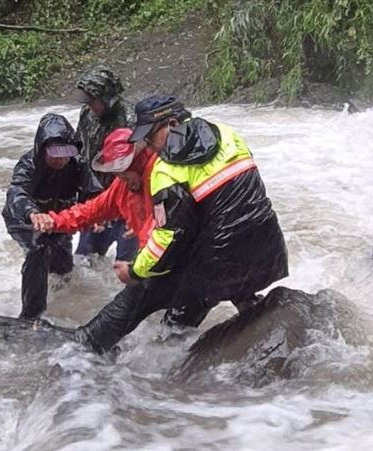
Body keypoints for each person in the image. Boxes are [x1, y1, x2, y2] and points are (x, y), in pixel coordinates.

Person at [74, 95, 290, 352]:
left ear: (172, 124)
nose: (149, 147)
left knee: (143, 289)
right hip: (269, 251)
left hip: (221, 265)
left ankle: (87, 343)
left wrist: (135, 271)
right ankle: (217, 321)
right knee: (194, 282)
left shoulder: (165, 169)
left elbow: (168, 237)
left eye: (149, 138)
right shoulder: (226, 133)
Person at [30, 128, 157, 280]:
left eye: (124, 175)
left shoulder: (161, 179)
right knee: (85, 261)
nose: (122, 179)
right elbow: (92, 210)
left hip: (166, 263)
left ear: (137, 163)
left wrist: (135, 271)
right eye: (117, 174)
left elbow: (165, 234)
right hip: (151, 258)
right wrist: (54, 221)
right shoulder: (122, 185)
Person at [2, 113, 93, 321]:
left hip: (58, 217)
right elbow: (17, 192)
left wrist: (96, 215)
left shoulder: (77, 164)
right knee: (38, 250)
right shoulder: (28, 164)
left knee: (63, 269)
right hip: (24, 218)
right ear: (42, 149)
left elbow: (93, 191)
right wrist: (32, 213)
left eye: (65, 153)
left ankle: (64, 302)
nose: (61, 159)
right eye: (54, 153)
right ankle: (31, 316)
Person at [73, 65, 138, 262]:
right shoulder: (87, 114)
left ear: (108, 98)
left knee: (126, 265)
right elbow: (80, 154)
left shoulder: (131, 119)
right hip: (97, 198)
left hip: (126, 201)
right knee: (83, 260)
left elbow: (138, 168)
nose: (90, 106)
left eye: (93, 101)